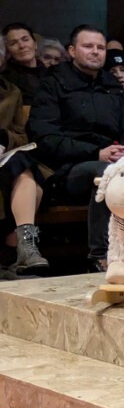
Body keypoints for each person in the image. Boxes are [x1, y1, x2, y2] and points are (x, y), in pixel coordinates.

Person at [27, 25, 124, 272]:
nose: (95, 52)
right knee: (106, 173)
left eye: (100, 47)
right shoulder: (53, 84)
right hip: (67, 169)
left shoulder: (112, 86)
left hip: (115, 160)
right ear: (72, 51)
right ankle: (100, 255)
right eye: (88, 46)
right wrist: (95, 153)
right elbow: (46, 137)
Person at [0, 76, 48, 274]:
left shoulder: (11, 91)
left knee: (24, 165)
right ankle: (15, 252)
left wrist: (4, 140)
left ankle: (21, 250)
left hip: (5, 160)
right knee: (33, 184)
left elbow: (21, 136)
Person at [2, 22, 47, 104]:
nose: (22, 46)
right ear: (7, 51)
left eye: (25, 40)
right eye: (13, 43)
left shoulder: (51, 74)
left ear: (35, 44)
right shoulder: (5, 81)